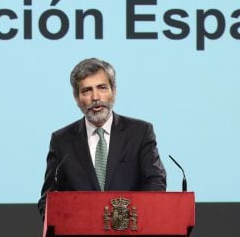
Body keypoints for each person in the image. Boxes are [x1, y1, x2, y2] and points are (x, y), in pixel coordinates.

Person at [38, 58, 166, 217]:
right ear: (77, 98)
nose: (95, 97)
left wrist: (131, 219)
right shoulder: (61, 141)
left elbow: (155, 183)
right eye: (87, 90)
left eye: (102, 88)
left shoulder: (140, 132)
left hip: (131, 233)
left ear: (114, 91)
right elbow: (47, 201)